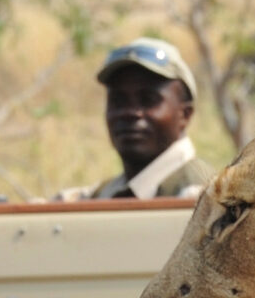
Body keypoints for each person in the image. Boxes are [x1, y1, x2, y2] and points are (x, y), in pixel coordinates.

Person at [75, 38, 213, 199]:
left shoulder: (200, 196)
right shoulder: (106, 193)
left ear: (185, 114)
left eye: (149, 100)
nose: (130, 112)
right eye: (118, 100)